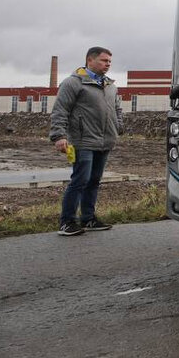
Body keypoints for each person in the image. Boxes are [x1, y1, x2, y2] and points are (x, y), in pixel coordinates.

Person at [48, 47, 124, 236]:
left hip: (105, 141)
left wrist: (118, 127)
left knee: (94, 181)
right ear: (90, 60)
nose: (108, 64)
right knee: (80, 180)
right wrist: (59, 136)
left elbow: (117, 109)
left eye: (109, 62)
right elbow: (60, 110)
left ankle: (88, 219)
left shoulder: (110, 85)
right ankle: (67, 222)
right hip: (82, 141)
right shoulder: (74, 83)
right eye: (104, 61)